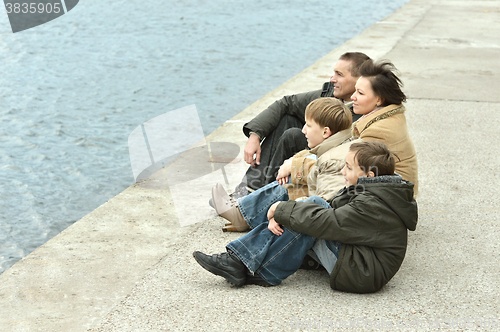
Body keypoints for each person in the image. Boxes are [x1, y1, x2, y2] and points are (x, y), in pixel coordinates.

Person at [193, 141, 418, 293]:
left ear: (369, 175)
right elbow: (330, 214)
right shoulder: (376, 190)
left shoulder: (374, 204)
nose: (342, 172)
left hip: (361, 272)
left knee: (312, 211)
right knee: (309, 209)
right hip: (357, 256)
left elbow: (329, 222)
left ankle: (241, 262)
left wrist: (278, 210)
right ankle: (243, 264)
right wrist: (287, 212)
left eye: (348, 168)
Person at [232, 52, 371, 197]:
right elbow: (286, 103)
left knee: (292, 135)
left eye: (339, 75)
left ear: (359, 80)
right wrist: (255, 135)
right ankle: (248, 190)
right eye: (333, 73)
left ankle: (259, 198)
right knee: (287, 119)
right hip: (313, 150)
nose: (332, 79)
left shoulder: (365, 110)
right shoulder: (328, 95)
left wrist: (294, 163)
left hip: (330, 161)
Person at [212, 97, 358, 232]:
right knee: (293, 174)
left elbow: (325, 204)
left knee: (291, 180)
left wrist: (283, 211)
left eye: (308, 125)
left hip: (326, 224)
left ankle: (243, 215)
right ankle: (245, 211)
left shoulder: (334, 158)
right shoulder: (340, 146)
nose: (303, 130)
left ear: (326, 132)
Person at [350, 59, 419, 195]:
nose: (353, 97)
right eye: (355, 91)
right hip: (397, 194)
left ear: (379, 99)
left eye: (360, 93)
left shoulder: (376, 131)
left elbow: (351, 168)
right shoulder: (391, 114)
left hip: (390, 199)